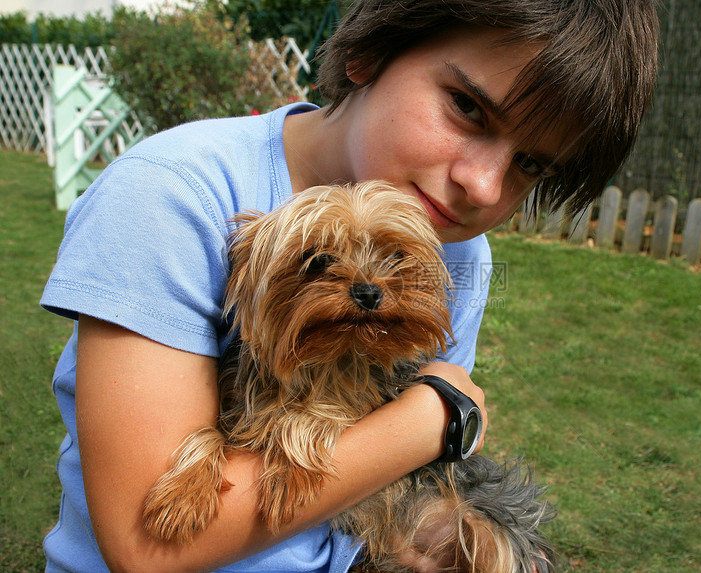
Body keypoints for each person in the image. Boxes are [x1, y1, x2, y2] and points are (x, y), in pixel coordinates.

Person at [40, 0, 659, 571]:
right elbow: (149, 549)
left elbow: (413, 480)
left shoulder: (458, 249)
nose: (485, 186)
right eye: (467, 108)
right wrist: (433, 416)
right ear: (367, 53)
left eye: (530, 164)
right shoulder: (170, 196)